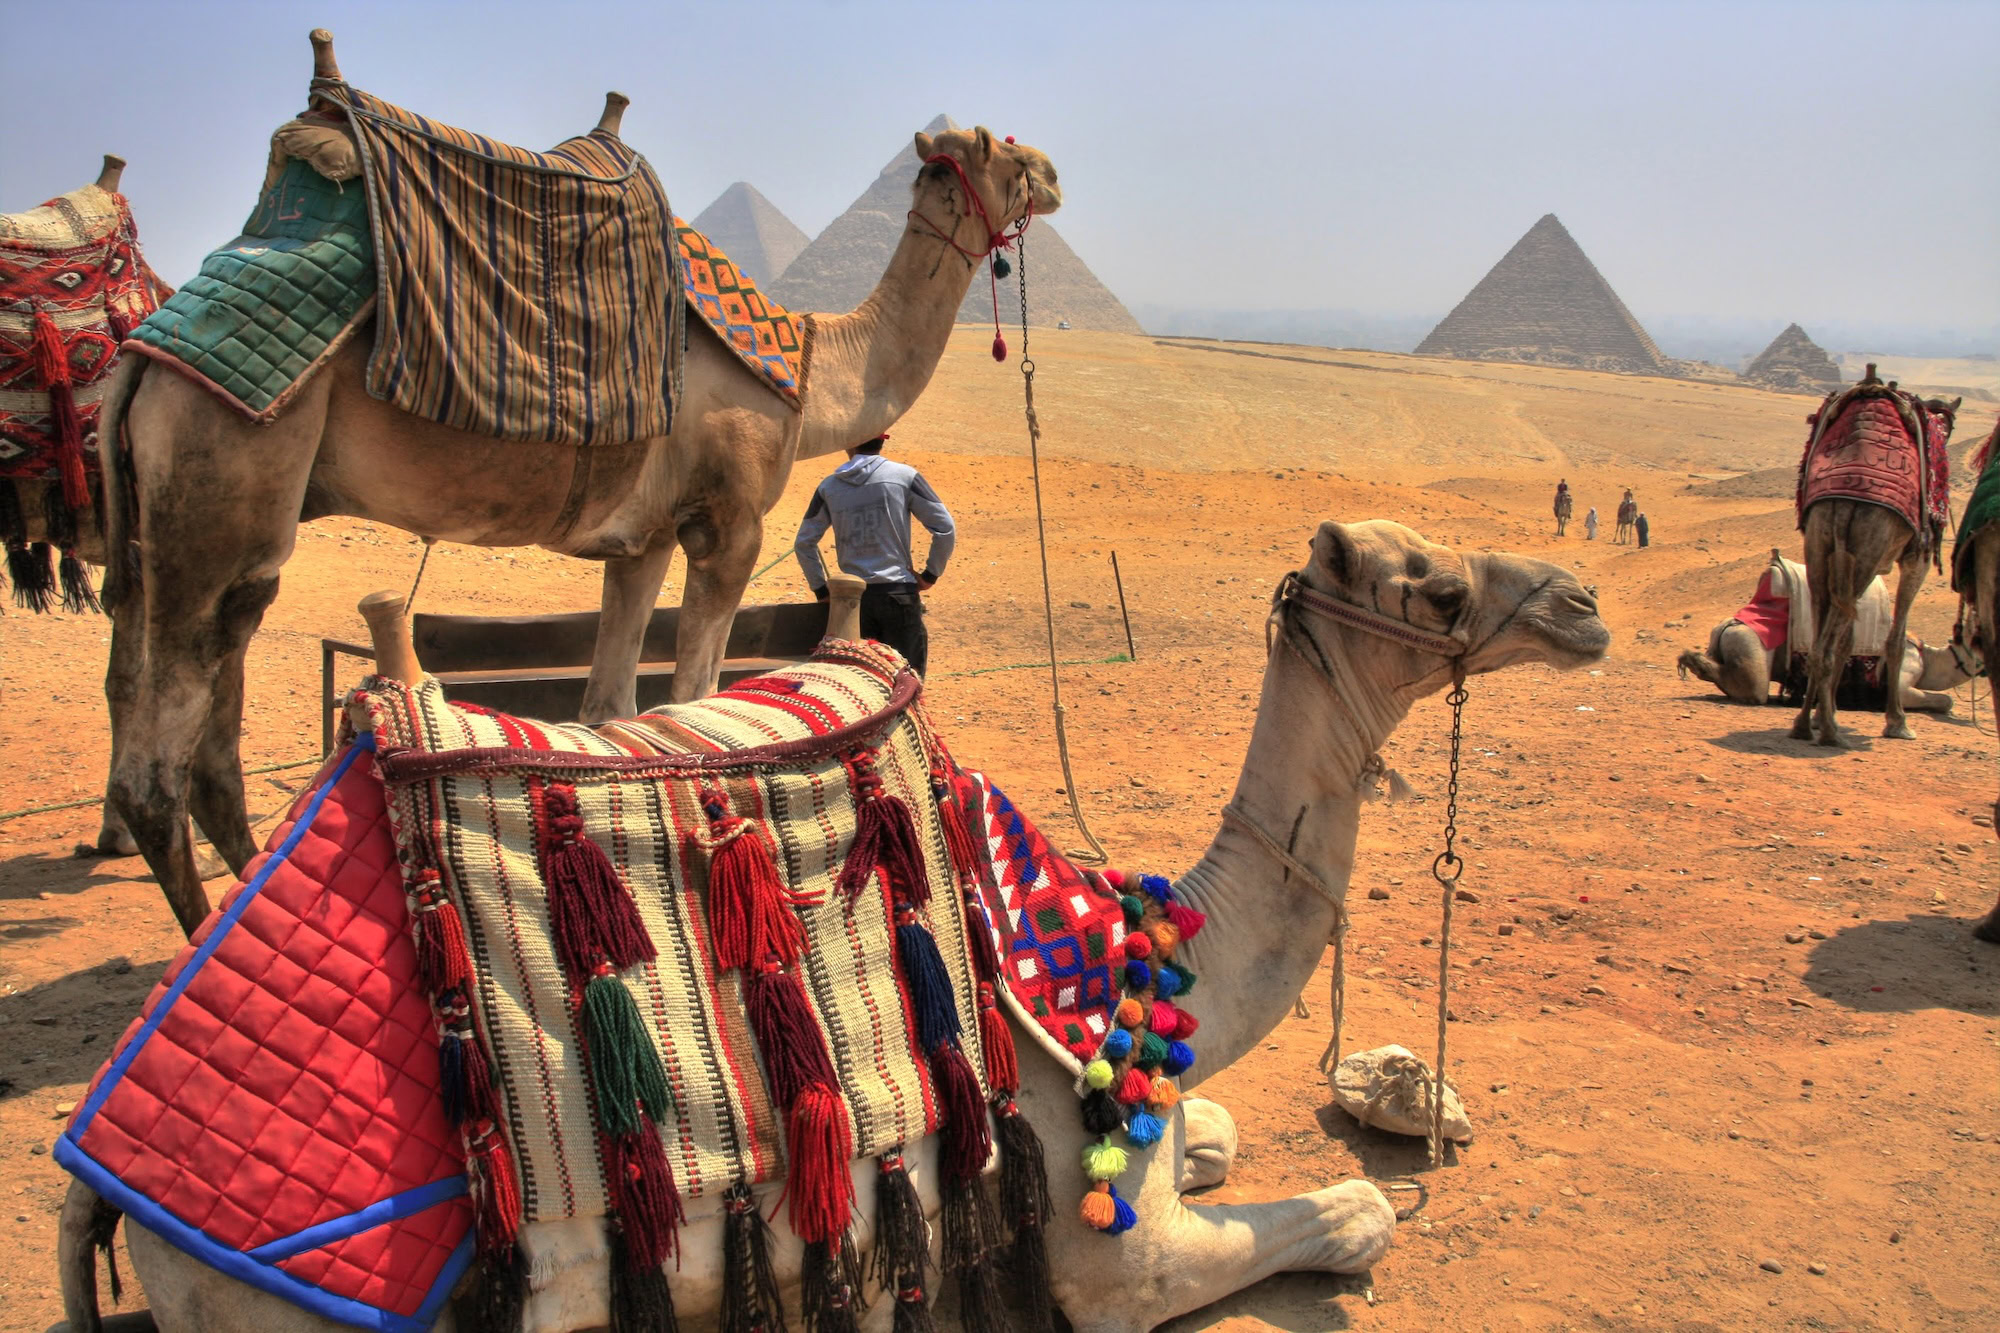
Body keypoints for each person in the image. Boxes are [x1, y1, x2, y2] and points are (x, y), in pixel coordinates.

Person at [793, 433, 955, 675]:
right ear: (882, 441)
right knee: (907, 681)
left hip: (853, 602)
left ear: (850, 443)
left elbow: (804, 543)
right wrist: (930, 575)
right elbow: (945, 529)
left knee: (861, 681)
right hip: (898, 596)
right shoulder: (904, 477)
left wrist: (822, 590)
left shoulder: (829, 486)